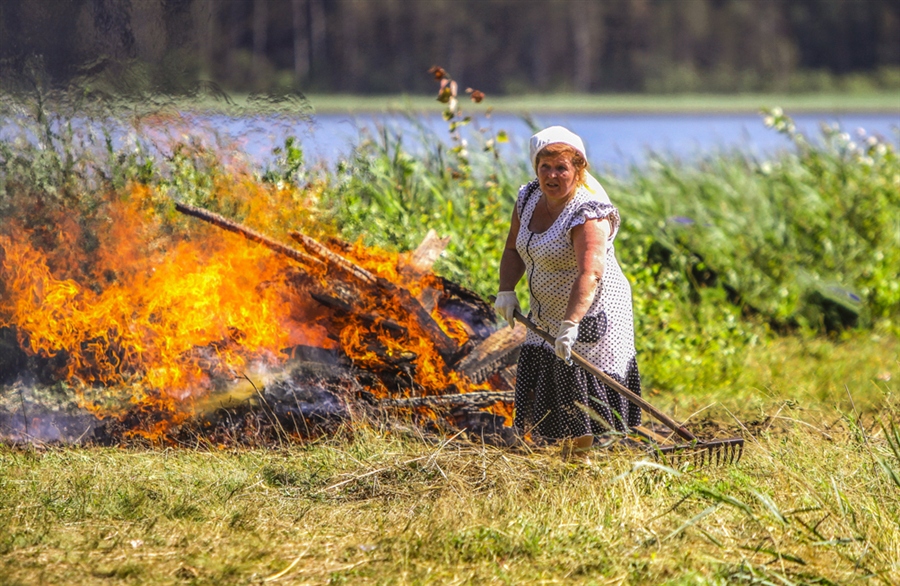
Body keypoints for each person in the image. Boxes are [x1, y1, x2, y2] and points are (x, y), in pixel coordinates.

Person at [493, 126, 642, 459]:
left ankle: (580, 461)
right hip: (547, 308)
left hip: (592, 308)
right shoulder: (529, 198)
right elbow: (514, 250)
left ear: (579, 169)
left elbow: (591, 272)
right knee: (551, 374)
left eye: (561, 167)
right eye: (545, 167)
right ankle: (566, 456)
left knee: (581, 384)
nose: (552, 175)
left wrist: (571, 324)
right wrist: (506, 290)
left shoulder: (588, 212)